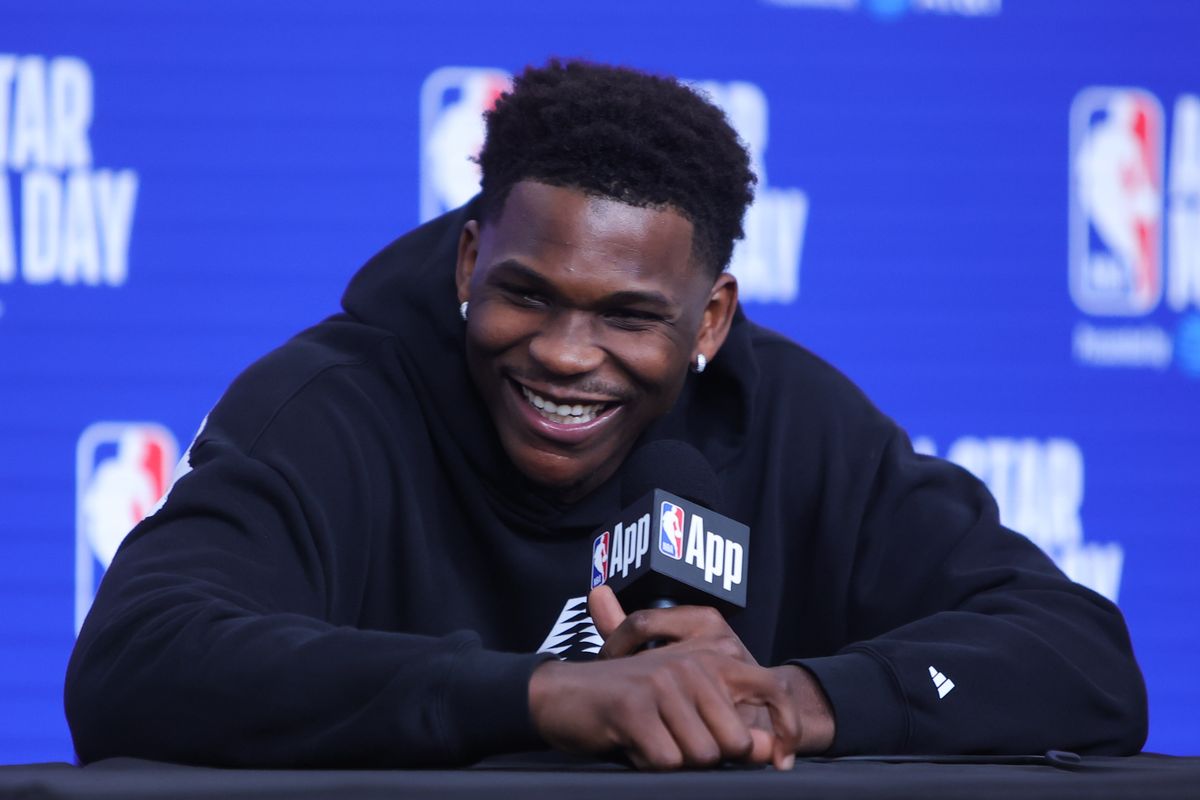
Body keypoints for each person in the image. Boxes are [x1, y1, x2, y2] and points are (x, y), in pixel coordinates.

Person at [65, 60, 1148, 770]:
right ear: (470, 259)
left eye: (628, 316)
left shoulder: (790, 418)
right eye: (528, 295)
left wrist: (791, 699)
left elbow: (1079, 656)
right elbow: (134, 659)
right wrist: (548, 696)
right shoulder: (332, 404)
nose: (563, 353)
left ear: (710, 317)